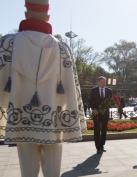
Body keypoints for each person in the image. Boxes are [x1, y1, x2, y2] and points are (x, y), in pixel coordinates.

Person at [0, 1, 87, 176]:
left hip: (22, 119)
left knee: (28, 171)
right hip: (53, 122)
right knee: (53, 172)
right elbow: (72, 88)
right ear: (48, 17)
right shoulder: (63, 48)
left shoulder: (7, 44)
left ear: (26, 15)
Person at [89, 76, 113, 154]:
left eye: (104, 82)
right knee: (96, 130)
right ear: (98, 82)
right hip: (96, 114)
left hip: (105, 113)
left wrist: (108, 106)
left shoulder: (109, 90)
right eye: (101, 82)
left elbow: (111, 101)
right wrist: (93, 109)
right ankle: (98, 147)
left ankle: (102, 146)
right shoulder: (93, 90)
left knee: (104, 130)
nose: (103, 84)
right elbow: (90, 102)